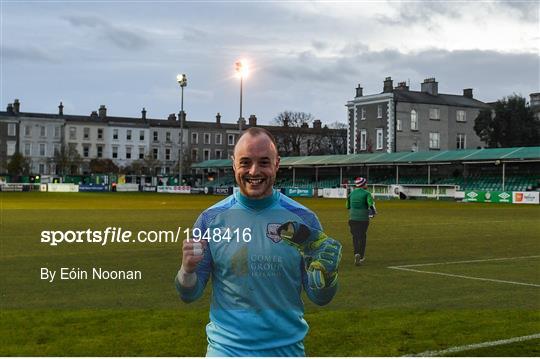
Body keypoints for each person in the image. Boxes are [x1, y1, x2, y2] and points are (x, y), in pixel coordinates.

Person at [175, 127, 342, 357]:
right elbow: (189, 294)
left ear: (277, 163)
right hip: (226, 352)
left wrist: (327, 276)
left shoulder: (304, 220)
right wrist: (186, 270)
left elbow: (320, 298)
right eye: (245, 162)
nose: (254, 171)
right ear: (234, 164)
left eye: (264, 162)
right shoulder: (210, 220)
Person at [346, 177, 376, 266]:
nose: (367, 185)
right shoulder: (367, 193)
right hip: (363, 219)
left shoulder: (351, 194)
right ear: (363, 184)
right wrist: (373, 213)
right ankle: (361, 256)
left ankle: (356, 253)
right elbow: (370, 204)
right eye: (366, 183)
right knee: (362, 237)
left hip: (352, 218)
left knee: (355, 237)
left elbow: (347, 206)